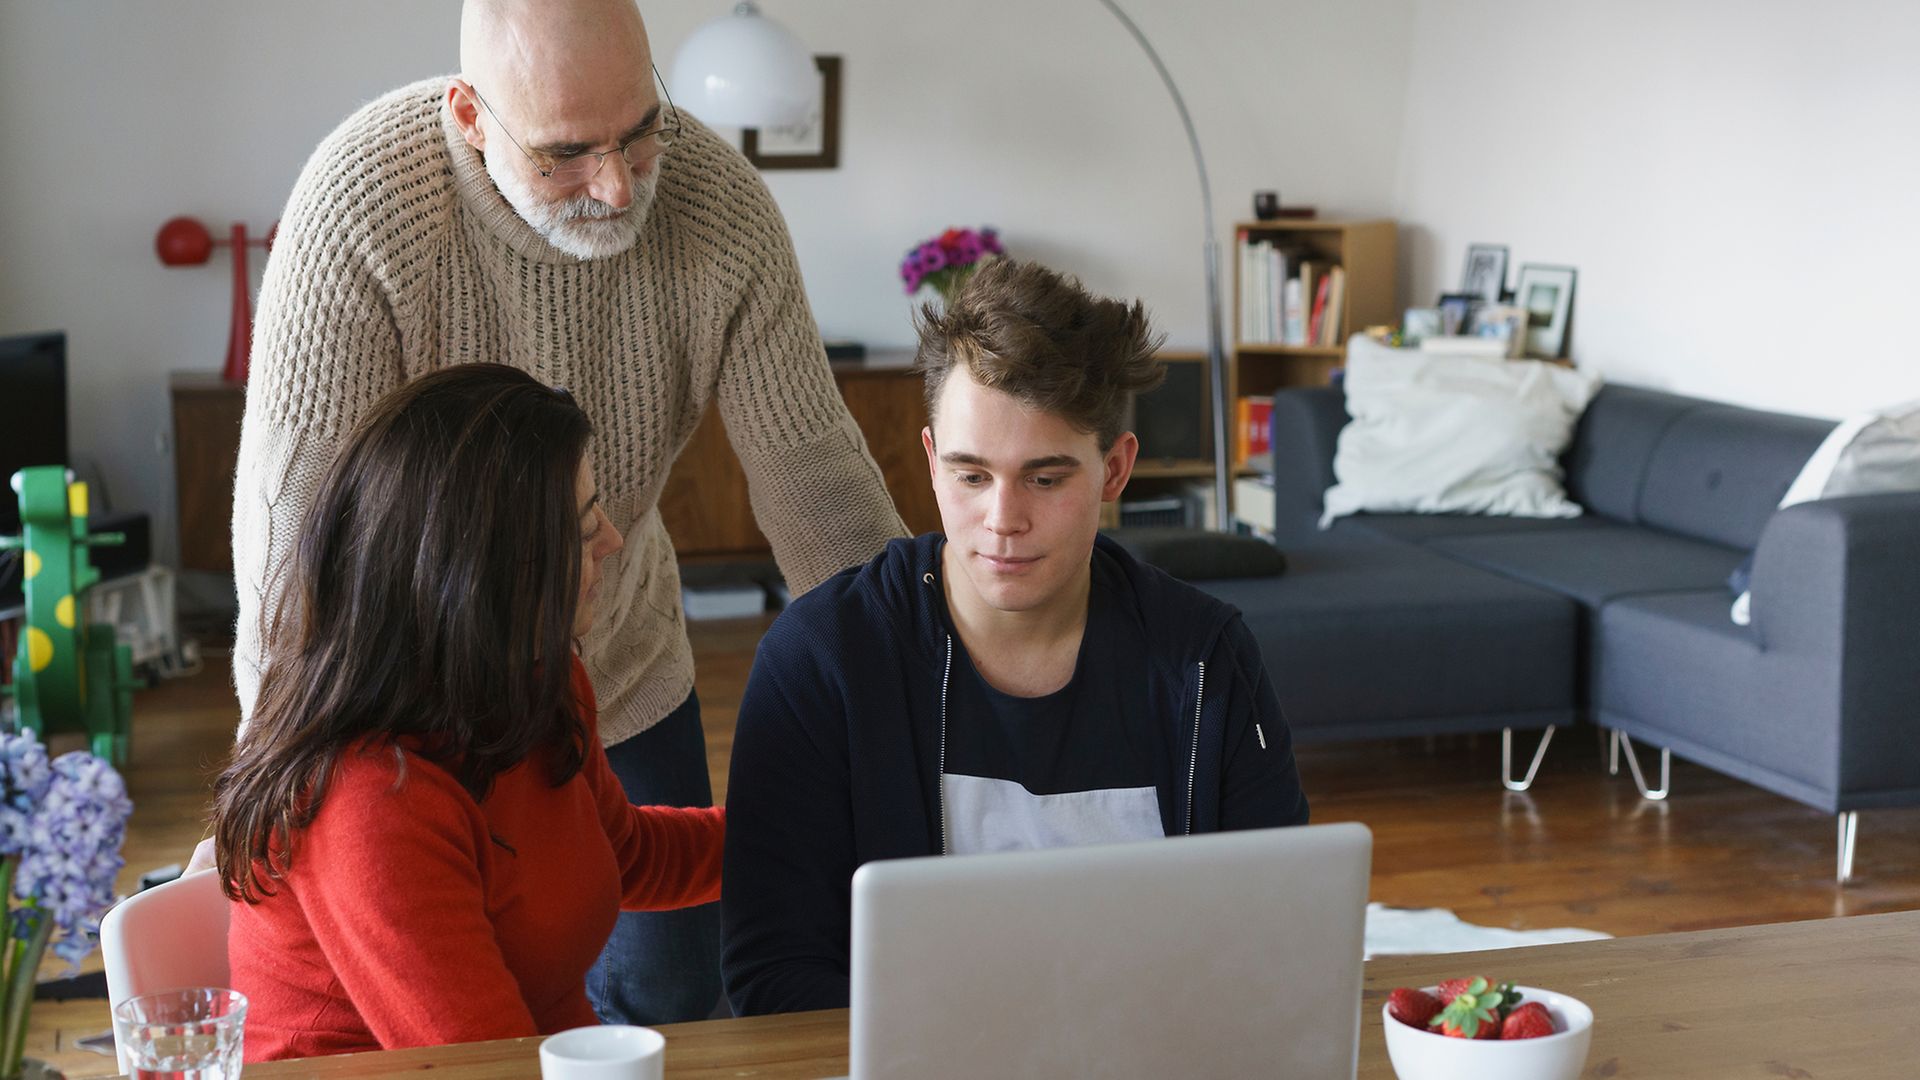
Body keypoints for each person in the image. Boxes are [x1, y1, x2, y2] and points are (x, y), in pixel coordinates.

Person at [221, 0, 905, 1024]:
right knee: (459, 977)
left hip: (588, 656)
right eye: (566, 153)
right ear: (468, 118)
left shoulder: (720, 209)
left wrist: (919, 707)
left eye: (641, 130)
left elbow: (820, 489)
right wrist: (284, 780)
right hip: (400, 703)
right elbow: (294, 550)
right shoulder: (358, 213)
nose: (619, 183)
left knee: (669, 986)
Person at [719, 260, 1310, 1016]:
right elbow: (774, 973)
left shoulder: (1206, 659)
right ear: (932, 463)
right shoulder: (820, 659)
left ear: (1114, 469)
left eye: (1045, 478)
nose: (1002, 521)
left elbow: (1279, 932)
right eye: (971, 477)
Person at [213, 365, 724, 1060]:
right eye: (578, 528)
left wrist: (822, 828)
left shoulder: (537, 681)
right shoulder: (370, 802)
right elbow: (485, 1063)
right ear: (484, 571)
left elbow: (622, 852)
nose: (611, 539)